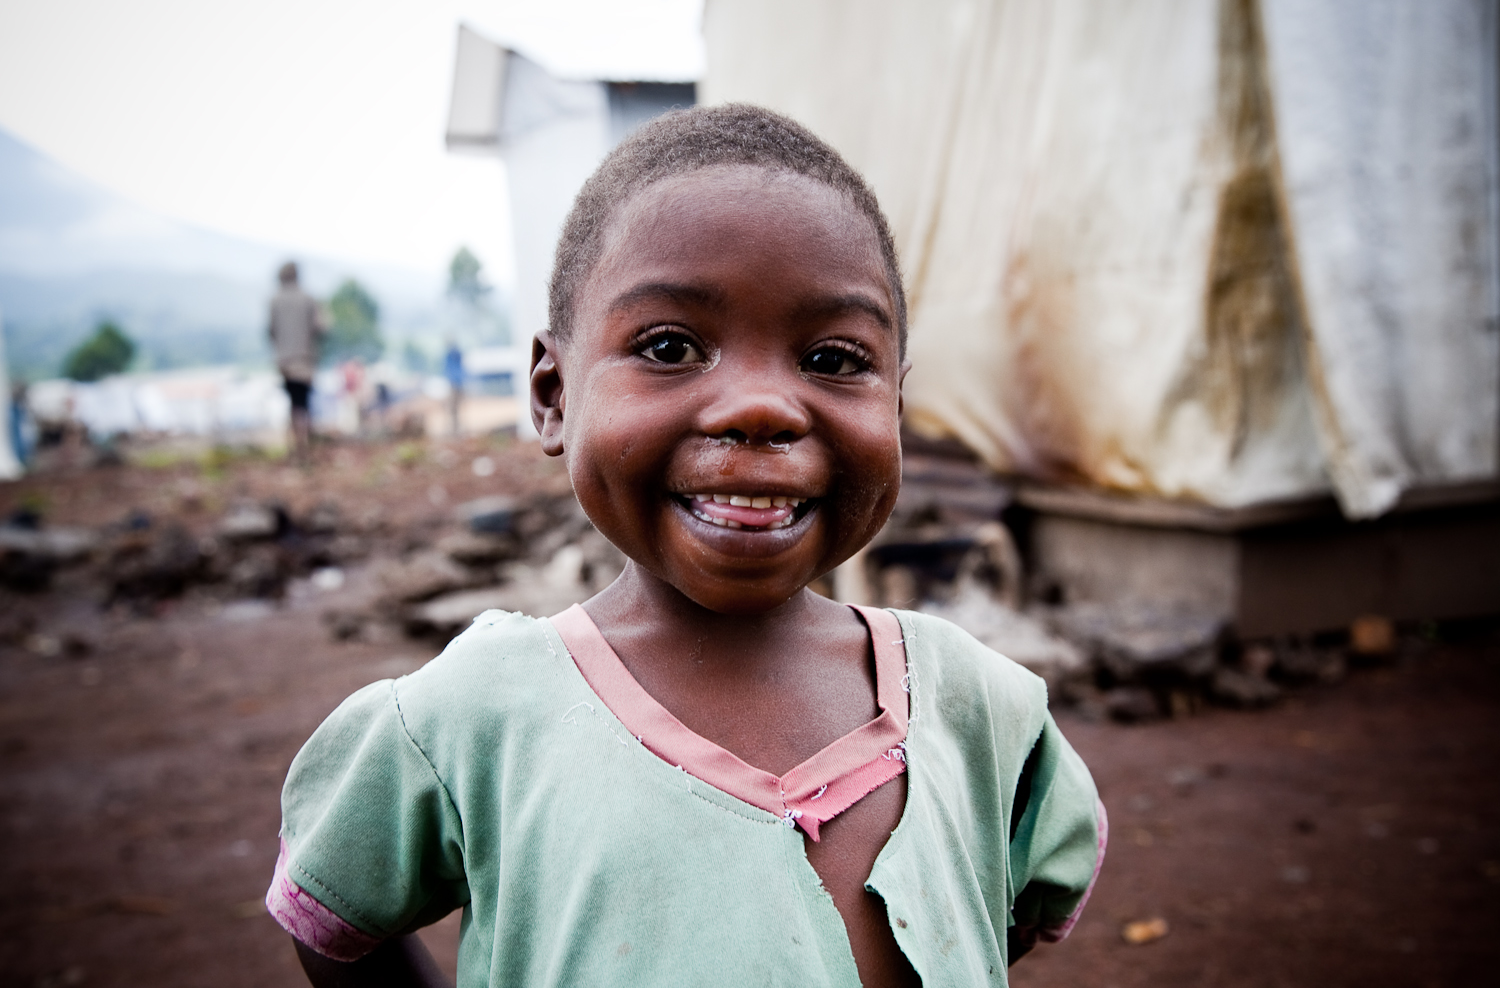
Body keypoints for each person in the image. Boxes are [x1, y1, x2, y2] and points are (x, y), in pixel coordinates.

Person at [266, 106, 1105, 988]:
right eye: (669, 346)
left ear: (893, 403)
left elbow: (986, 922)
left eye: (832, 359)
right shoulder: (471, 717)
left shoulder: (978, 710)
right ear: (554, 396)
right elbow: (337, 917)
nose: (761, 407)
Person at [268, 261, 327, 460]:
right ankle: (305, 445)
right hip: (305, 360)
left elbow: (271, 331)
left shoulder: (275, 301)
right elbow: (322, 326)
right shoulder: (308, 299)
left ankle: (297, 445)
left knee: (294, 403)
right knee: (304, 402)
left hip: (285, 362)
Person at [443, 340, 464, 436]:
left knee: (454, 409)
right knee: (453, 409)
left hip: (455, 384)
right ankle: (454, 429)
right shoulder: (455, 355)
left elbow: (450, 371)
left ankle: (455, 429)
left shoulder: (452, 355)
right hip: (456, 383)